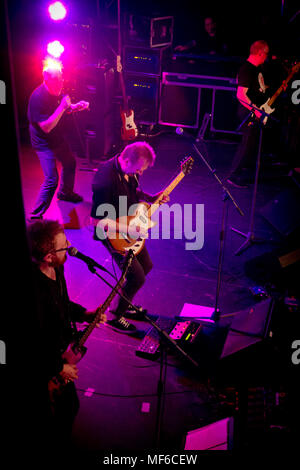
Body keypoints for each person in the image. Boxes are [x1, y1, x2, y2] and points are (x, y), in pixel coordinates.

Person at [27, 219, 104, 449]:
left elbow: (62, 303)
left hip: (59, 352)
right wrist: (58, 368)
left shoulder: (57, 268)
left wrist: (85, 314)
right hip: (46, 364)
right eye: (64, 245)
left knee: (69, 408)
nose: (70, 248)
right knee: (59, 415)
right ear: (48, 256)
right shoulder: (35, 291)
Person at [91, 141, 169, 334]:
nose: (140, 173)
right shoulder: (104, 180)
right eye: (139, 169)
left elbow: (131, 192)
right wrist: (128, 229)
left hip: (128, 226)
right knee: (136, 276)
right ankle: (115, 316)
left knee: (147, 266)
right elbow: (96, 221)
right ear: (126, 160)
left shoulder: (129, 171)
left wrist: (151, 198)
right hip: (113, 234)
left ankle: (124, 303)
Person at [27, 59, 89, 221]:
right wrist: (62, 107)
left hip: (57, 137)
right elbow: (46, 127)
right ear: (46, 79)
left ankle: (65, 193)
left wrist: (75, 107)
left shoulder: (57, 90)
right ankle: (35, 215)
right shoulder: (37, 98)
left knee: (70, 162)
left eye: (62, 79)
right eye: (57, 80)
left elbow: (63, 109)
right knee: (52, 179)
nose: (61, 83)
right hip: (43, 143)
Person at [226, 40, 271, 188]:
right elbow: (241, 94)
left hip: (255, 112)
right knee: (246, 144)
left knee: (251, 144)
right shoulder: (247, 69)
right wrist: (255, 111)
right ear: (260, 52)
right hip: (248, 113)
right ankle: (233, 175)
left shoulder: (256, 70)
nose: (267, 57)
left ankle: (242, 171)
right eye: (266, 54)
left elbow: (258, 89)